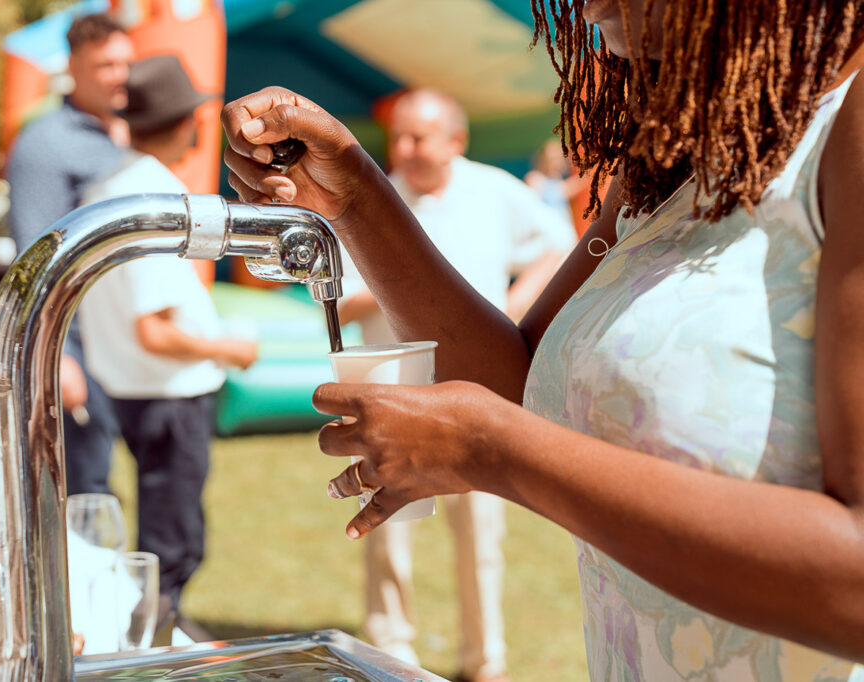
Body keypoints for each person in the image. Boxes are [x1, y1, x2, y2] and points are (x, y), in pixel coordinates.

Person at [220, 0, 864, 679]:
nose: (589, 9)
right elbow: (516, 385)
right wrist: (354, 195)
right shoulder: (676, 153)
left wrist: (493, 449)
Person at [338, 89, 573, 682]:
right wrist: (404, 283)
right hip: (392, 380)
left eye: (421, 137)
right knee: (389, 522)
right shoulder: (375, 202)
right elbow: (335, 300)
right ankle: (393, 647)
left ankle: (484, 658)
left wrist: (513, 312)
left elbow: (557, 246)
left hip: (476, 382)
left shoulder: (494, 190)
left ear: (455, 142)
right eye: (401, 138)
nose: (408, 150)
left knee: (481, 525)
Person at [78, 54, 258, 612]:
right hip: (167, 391)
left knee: (162, 541)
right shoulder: (154, 198)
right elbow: (154, 331)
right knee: (171, 551)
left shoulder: (105, 185)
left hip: (128, 386)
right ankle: (148, 652)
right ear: (188, 123)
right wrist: (229, 348)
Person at [5, 12, 134, 496]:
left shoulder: (124, 134)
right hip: (77, 343)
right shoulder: (45, 143)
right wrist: (57, 356)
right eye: (105, 65)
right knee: (83, 489)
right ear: (74, 67)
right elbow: (33, 260)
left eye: (126, 63)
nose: (120, 75)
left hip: (128, 339)